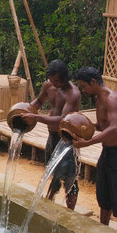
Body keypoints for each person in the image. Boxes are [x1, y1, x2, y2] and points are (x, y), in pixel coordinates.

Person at [72, 67, 117, 233]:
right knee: (104, 195)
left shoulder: (113, 100)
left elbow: (115, 128)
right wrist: (85, 126)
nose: (83, 90)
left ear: (93, 82)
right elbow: (103, 126)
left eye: (84, 86)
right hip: (107, 153)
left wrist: (89, 142)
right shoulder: (99, 100)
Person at [21, 59, 81, 210]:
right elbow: (39, 102)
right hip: (52, 136)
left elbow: (63, 121)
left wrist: (37, 118)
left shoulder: (72, 94)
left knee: (69, 178)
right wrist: (26, 111)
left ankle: (70, 211)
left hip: (67, 139)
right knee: (52, 170)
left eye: (55, 81)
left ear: (63, 78)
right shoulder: (49, 85)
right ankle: (50, 200)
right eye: (51, 79)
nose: (52, 83)